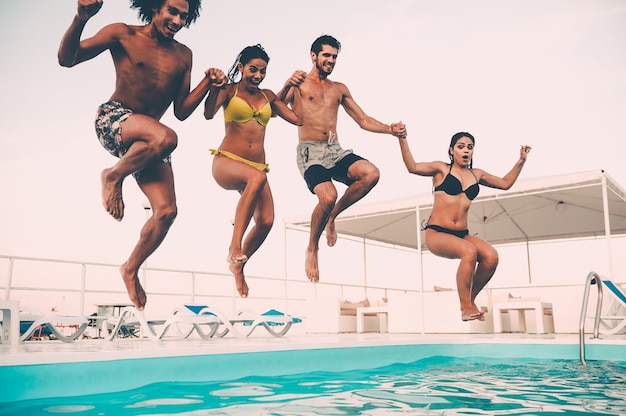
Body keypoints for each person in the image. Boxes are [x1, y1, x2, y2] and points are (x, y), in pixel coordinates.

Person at [58, 0, 227, 310]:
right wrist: (80, 18)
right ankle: (113, 175)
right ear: (154, 8)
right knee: (166, 137)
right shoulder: (122, 34)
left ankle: (131, 267)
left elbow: (182, 110)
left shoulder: (183, 55)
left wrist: (208, 82)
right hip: (114, 119)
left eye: (184, 17)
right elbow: (67, 59)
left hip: (149, 143)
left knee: (166, 212)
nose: (177, 20)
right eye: (172, 12)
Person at [278, 34, 407, 282]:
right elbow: (275, 109)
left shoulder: (339, 89)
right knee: (327, 196)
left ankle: (333, 216)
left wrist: (389, 129)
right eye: (326, 55)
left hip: (335, 149)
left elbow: (363, 120)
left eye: (335, 56)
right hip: (310, 151)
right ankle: (312, 246)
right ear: (313, 55)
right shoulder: (299, 84)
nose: (331, 60)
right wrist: (286, 84)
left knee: (371, 173)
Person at [397, 132, 532, 321]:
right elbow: (412, 167)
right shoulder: (441, 169)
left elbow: (505, 183)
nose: (466, 150)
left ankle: (471, 300)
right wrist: (402, 139)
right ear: (452, 151)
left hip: (462, 234)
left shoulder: (477, 174)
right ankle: (465, 307)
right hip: (437, 233)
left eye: (470, 147)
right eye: (461, 146)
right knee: (469, 252)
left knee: (491, 257)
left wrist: (521, 161)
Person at [203, 45, 303, 297]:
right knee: (256, 178)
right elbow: (207, 114)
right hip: (227, 161)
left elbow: (296, 119)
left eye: (263, 71)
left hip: (257, 167)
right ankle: (234, 246)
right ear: (241, 68)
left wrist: (296, 87)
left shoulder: (268, 96)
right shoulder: (229, 90)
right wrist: (214, 88)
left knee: (267, 221)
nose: (258, 75)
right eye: (253, 70)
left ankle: (239, 266)